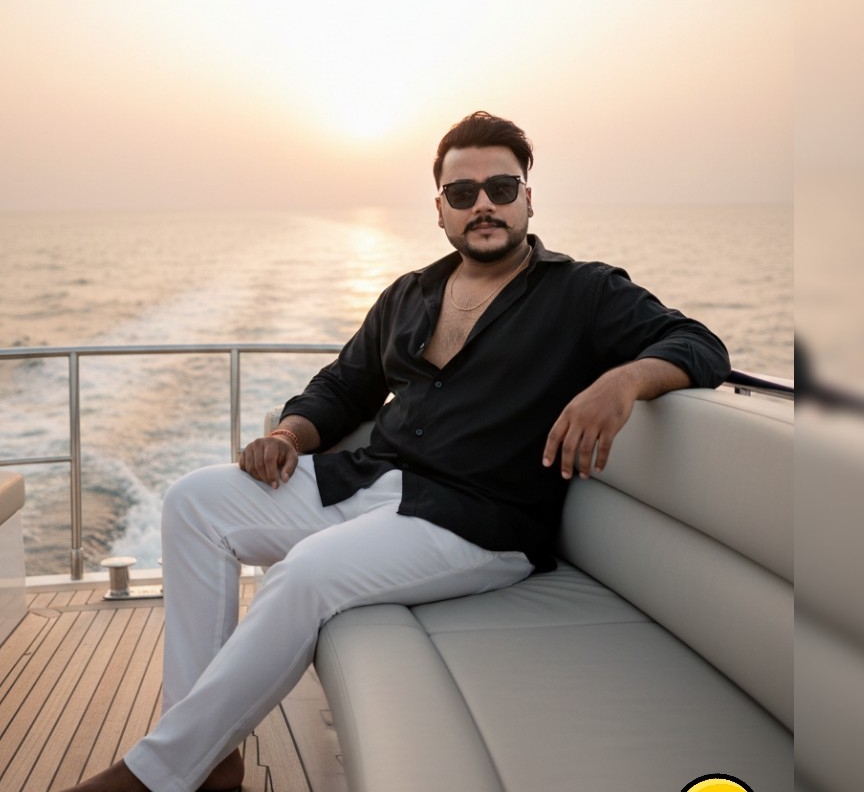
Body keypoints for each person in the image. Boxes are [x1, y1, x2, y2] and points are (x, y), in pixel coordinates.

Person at [63, 111, 730, 792]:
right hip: (373, 483)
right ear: (441, 210)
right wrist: (289, 434)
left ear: (528, 198)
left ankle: (159, 774)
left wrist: (622, 382)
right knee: (194, 502)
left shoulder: (583, 292)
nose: (483, 205)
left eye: (501, 188)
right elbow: (343, 386)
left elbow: (699, 345)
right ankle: (209, 758)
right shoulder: (410, 294)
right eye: (463, 193)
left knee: (305, 571)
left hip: (478, 520)